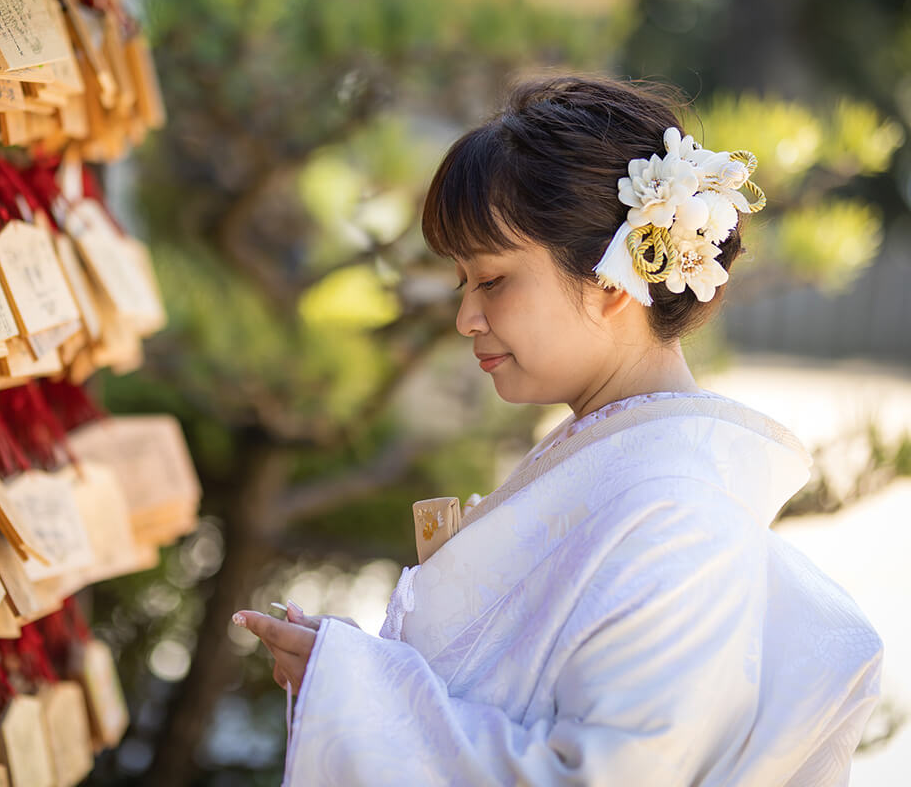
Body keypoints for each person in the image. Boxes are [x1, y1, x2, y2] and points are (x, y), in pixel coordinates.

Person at [233, 76, 883, 786]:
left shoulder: (680, 516)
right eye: (463, 284)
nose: (466, 319)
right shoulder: (626, 473)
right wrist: (347, 678)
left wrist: (360, 695)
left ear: (612, 281)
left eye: (494, 280)